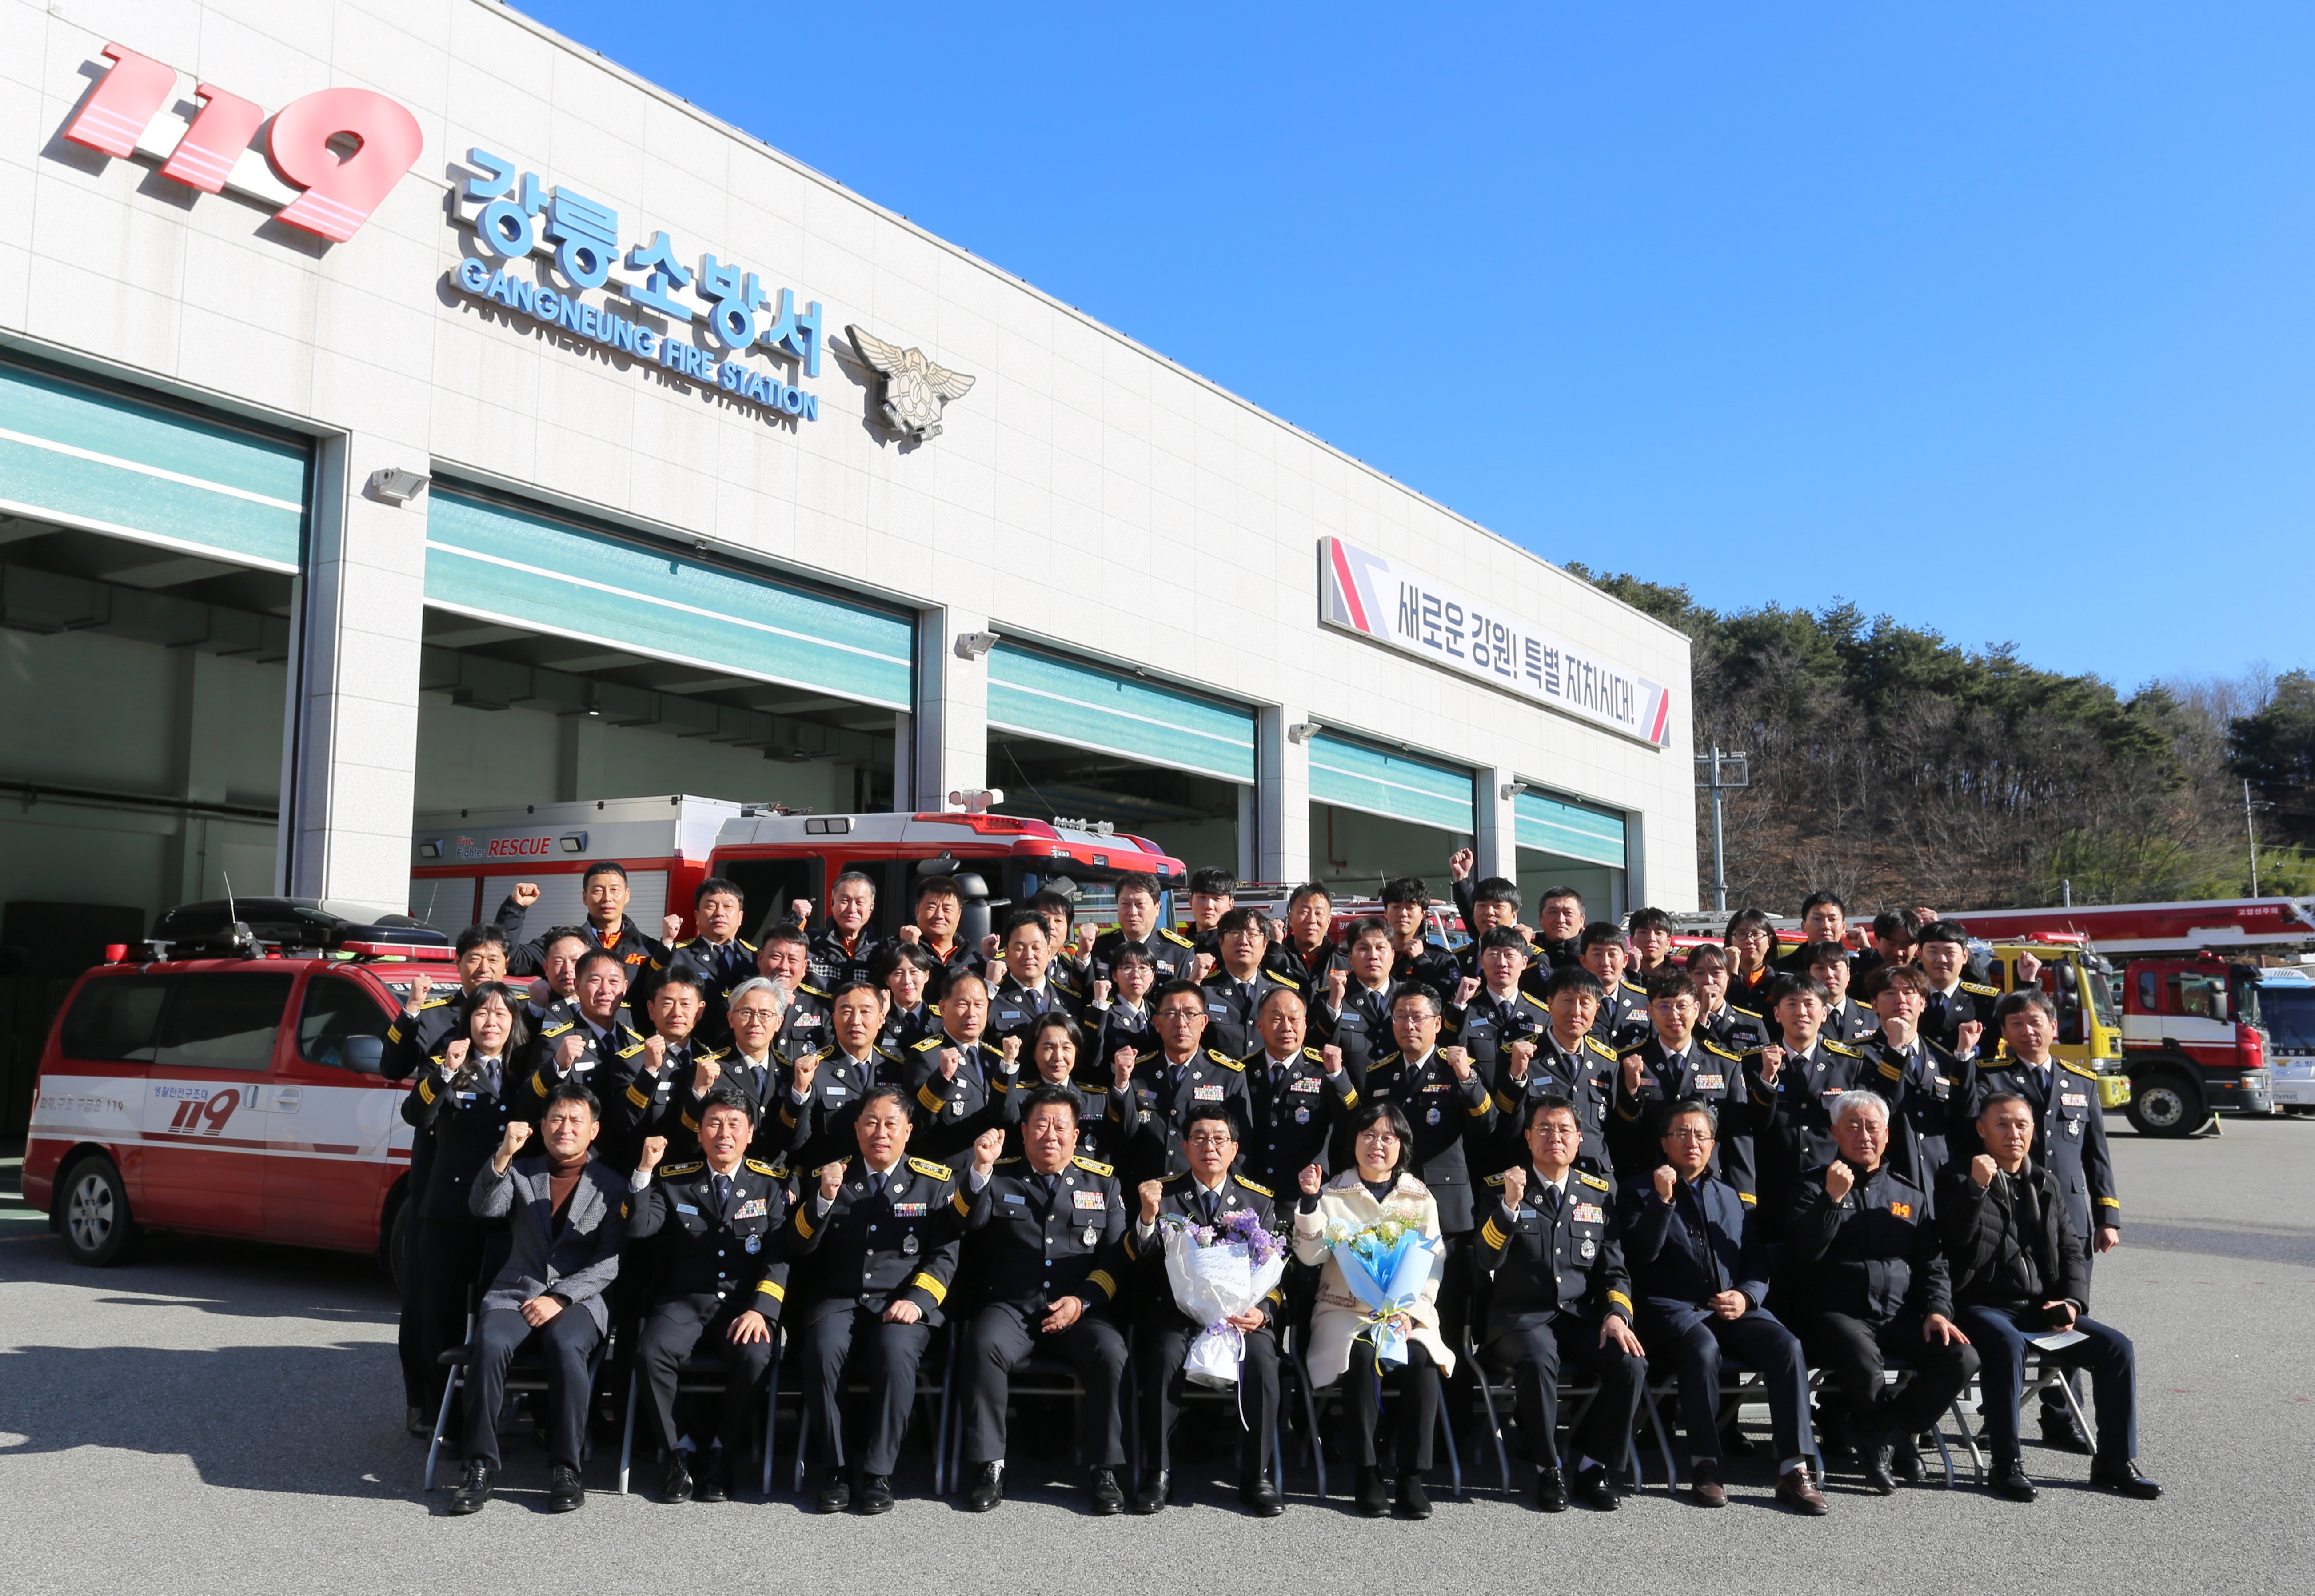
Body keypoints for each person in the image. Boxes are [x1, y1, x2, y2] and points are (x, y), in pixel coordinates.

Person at [1942, 1093, 2160, 1501]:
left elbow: (2072, 1250)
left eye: (2021, 1125)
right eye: (2002, 1125)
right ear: (1982, 1130)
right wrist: (1976, 1189)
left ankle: (2114, 1461)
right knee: (2007, 1345)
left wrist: (2072, 1304)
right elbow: (1954, 1244)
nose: (2013, 1134)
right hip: (1978, 1307)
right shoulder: (1956, 1177)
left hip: (2037, 1310)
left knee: (2116, 1348)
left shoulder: (2044, 1181)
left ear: (2033, 1131)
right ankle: (2006, 1464)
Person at [1617, 1101, 1817, 1510]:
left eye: (1701, 1135)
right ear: (1664, 1143)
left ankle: (1794, 1467)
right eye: (1682, 1134)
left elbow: (1757, 1263)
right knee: (1703, 1348)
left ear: (1713, 1144)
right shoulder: (1637, 1191)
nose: (1692, 1142)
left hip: (1731, 1308)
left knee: (1787, 1346)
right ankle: (1705, 1463)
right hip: (1672, 1312)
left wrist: (1746, 1296)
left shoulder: (1729, 1195)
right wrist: (1662, 1202)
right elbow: (1639, 1256)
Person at [445, 1079, 627, 1515]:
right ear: (542, 1126)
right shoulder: (521, 1171)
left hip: (580, 1299)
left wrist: (561, 1297)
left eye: (576, 1120)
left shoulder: (613, 1185)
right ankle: (479, 1467)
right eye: (557, 1119)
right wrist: (503, 1155)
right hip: (517, 1291)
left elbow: (610, 1262)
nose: (566, 1127)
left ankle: (566, 1468)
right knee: (488, 1345)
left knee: (566, 1346)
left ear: (593, 1130)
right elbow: (484, 1208)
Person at [1781, 1091, 1976, 1494]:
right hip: (1835, 1313)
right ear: (1835, 1133)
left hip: (1896, 1315)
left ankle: (1882, 1433)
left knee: (1961, 1357)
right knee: (1864, 1360)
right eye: (1853, 1127)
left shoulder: (1908, 1194)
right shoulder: (1811, 1186)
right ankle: (1887, 1445)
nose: (1864, 1135)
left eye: (1872, 1127)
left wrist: (1937, 1310)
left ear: (1887, 1135)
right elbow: (1804, 1251)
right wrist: (1832, 1199)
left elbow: (1932, 1264)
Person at [786, 1084, 966, 1514]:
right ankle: (836, 1469)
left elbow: (945, 1256)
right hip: (840, 1299)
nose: (880, 1132)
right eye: (871, 1122)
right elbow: (796, 1246)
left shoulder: (934, 1182)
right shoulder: (831, 1177)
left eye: (890, 1124)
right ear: (857, 1129)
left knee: (895, 1350)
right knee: (822, 1349)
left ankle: (879, 1473)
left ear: (908, 1131)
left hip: (902, 1302)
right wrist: (823, 1200)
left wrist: (918, 1301)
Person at [955, 1090, 1134, 1513]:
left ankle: (1104, 1468)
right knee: (983, 1344)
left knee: (1111, 1352)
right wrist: (981, 1170)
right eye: (1040, 1125)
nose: (1050, 1135)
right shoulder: (997, 1176)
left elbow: (1115, 1260)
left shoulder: (1104, 1184)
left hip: (1080, 1310)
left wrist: (1082, 1302)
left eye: (1060, 1127)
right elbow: (966, 1223)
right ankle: (990, 1465)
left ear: (1076, 1136)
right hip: (1013, 1308)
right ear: (1023, 1132)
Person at [1964, 987, 2121, 1453]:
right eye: (2015, 1024)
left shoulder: (2080, 1081)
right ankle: (1999, 1418)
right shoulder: (1990, 1078)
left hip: (2068, 1219)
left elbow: (2096, 1156)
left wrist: (2107, 1216)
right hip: (2009, 1214)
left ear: (2054, 1027)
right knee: (2012, 1319)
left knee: (2065, 1315)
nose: (2027, 1031)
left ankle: (2061, 1417)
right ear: (2003, 1032)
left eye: (2035, 1022)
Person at [1473, 1097, 1646, 1512]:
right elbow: (1485, 1259)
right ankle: (1548, 1469)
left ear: (1579, 1139)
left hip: (1576, 1318)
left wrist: (1616, 1315)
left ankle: (1593, 1466)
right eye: (1545, 1129)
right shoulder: (1501, 1188)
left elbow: (1614, 1271)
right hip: (1518, 1320)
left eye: (1564, 1130)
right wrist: (1510, 1208)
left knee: (1630, 1362)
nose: (1555, 1137)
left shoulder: (1597, 1194)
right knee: (1538, 1357)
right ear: (1528, 1137)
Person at [627, 1088, 790, 1504]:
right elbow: (640, 1228)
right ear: (699, 1132)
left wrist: (762, 1310)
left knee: (756, 1355)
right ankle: (679, 1451)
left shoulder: (770, 1186)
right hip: (686, 1302)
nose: (724, 1133)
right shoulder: (674, 1179)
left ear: (750, 1134)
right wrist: (644, 1171)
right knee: (650, 1352)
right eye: (714, 1123)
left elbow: (778, 1258)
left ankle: (721, 1452)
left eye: (735, 1124)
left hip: (742, 1307)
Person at [1292, 1102, 1453, 1518]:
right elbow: (1310, 1256)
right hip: (1345, 1311)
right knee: (1361, 1355)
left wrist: (1412, 1314)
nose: (1377, 1145)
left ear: (1402, 1146)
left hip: (1404, 1314)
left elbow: (1433, 1263)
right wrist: (1309, 1204)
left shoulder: (1420, 1197)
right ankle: (1366, 1473)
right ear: (1354, 1142)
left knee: (1422, 1358)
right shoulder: (1333, 1194)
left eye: (1387, 1137)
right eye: (1368, 1135)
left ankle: (1412, 1476)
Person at [1126, 1104, 1285, 1515]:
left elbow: (1277, 1277)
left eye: (1218, 1139)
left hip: (1238, 1318)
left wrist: (1263, 1312)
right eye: (1199, 1138)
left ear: (1234, 1149)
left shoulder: (1258, 1200)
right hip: (1177, 1313)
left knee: (1264, 1357)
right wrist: (1147, 1218)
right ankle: (1159, 1471)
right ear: (1184, 1147)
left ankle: (1257, 1474)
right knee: (1163, 1354)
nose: (1209, 1147)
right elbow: (1138, 1261)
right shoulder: (1163, 1194)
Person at [403, 982, 530, 1425]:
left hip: (504, 1217)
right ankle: (442, 1417)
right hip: (450, 1214)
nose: (491, 1022)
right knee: (443, 1316)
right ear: (467, 1021)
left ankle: (490, 1411)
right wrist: (444, 1072)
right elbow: (416, 1115)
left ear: (514, 1023)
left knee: (501, 1318)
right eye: (481, 1013)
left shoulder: (523, 1072)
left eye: (501, 1014)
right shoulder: (448, 1064)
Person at [1608, 969, 1749, 1201]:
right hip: (1647, 1186)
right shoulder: (1628, 1061)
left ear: (1696, 1009)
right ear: (1651, 1011)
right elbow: (1619, 1135)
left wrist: (1745, 1198)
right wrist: (1631, 1093)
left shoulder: (1725, 1065)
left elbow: (1739, 1138)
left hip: (1709, 1186)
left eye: (1682, 1006)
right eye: (1664, 1007)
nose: (1674, 1015)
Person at [1744, 972, 1868, 1226]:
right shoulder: (1752, 1062)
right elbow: (1752, 1125)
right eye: (1791, 1004)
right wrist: (1767, 1079)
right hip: (1774, 1190)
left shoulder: (1849, 1063)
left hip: (1832, 1189)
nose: (1801, 1012)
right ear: (1777, 1014)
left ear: (1824, 1014)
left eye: (1809, 1004)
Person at [1110, 978, 1251, 1187]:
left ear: (1204, 1022)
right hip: (1145, 1189)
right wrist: (1121, 1085)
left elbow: (1240, 1147)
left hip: (1200, 1193)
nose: (1181, 1023)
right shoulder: (1137, 1072)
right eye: (1171, 1014)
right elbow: (1122, 1135)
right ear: (1157, 1023)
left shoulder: (1228, 1076)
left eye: (1190, 1014)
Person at [1854, 963, 1974, 1198]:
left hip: (1937, 1179)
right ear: (1875, 1004)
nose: (1901, 1000)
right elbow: (1877, 1109)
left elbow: (1964, 1118)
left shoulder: (1943, 1058)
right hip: (1886, 1177)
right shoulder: (1857, 1056)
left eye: (1909, 992)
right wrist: (1895, 1052)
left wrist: (1964, 1059)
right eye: (1890, 993)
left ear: (1923, 1003)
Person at [1489, 963, 1617, 1181]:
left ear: (1596, 1009)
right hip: (1537, 1179)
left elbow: (1614, 1130)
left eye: (1585, 1003)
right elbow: (1503, 1126)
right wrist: (1516, 1079)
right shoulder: (1519, 1056)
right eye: (1567, 1001)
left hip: (1595, 1179)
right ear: (1549, 1004)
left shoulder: (1607, 1062)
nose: (1576, 1011)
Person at [1237, 987, 1358, 1200]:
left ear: (1305, 1024)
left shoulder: (1325, 1071)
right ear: (1260, 1026)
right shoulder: (1243, 1072)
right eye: (1277, 1019)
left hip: (1305, 1194)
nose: (1286, 1027)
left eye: (1294, 1019)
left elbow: (1352, 1123)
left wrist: (1338, 1076)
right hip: (1251, 1193)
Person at [904, 969, 1013, 1161]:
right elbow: (914, 1126)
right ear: (943, 1009)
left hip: (993, 1171)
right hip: (949, 1173)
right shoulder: (926, 1057)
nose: (972, 1014)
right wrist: (942, 1079)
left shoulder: (998, 1060)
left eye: (979, 1005)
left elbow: (1008, 1120)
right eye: (963, 1004)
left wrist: (1009, 1070)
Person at [507, 859, 663, 986]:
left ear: (627, 896)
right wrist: (516, 908)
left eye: (614, 890)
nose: (607, 898)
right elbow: (511, 959)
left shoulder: (650, 950)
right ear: (585, 897)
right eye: (598, 891)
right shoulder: (562, 943)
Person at [655, 875, 758, 1043]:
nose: (720, 913)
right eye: (711, 906)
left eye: (728, 906)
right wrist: (666, 943)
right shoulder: (678, 954)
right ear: (697, 916)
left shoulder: (754, 958)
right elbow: (652, 991)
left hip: (740, 1049)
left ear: (740, 917)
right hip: (694, 1046)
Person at [1198, 906, 1301, 1058]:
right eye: (1235, 933)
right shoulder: (1203, 991)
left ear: (1265, 944)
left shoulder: (1282, 992)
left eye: (1252, 934)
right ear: (1221, 942)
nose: (1244, 941)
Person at [1313, 915, 1400, 1079]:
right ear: (1350, 958)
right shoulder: (1330, 998)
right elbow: (1313, 1050)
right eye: (1363, 949)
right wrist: (1334, 1006)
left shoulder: (1409, 998)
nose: (1373, 956)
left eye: (1380, 948)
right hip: (1347, 1093)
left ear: (1393, 955)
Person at [1088, 870, 1197, 984]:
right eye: (1126, 904)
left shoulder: (1179, 953)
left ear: (1157, 908)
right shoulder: (1099, 947)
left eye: (1140, 904)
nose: (1133, 912)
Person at [986, 910, 1076, 1045]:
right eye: (1019, 948)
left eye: (1036, 947)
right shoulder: (992, 1001)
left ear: (1049, 952)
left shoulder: (1070, 1000)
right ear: (1007, 954)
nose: (1029, 956)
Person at [1913, 921, 2000, 1058]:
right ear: (1920, 955)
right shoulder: (1908, 997)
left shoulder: (1988, 1001)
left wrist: (2028, 983)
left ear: (1965, 956)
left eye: (1950, 952)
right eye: (1933, 952)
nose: (1941, 959)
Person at [794, 868, 890, 992]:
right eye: (845, 901)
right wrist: (794, 919)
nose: (852, 909)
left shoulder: (881, 952)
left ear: (871, 908)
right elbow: (777, 951)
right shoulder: (809, 942)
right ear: (832, 903)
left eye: (860, 902)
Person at [754, 924, 832, 1060]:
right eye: (776, 957)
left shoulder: (823, 1007)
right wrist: (772, 1002)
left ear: (805, 967)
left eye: (793, 960)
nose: (784, 966)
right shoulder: (737, 1002)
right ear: (761, 959)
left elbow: (832, 1058)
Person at [894, 873, 978, 986]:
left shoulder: (973, 959)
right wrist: (907, 950)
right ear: (917, 912)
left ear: (959, 916)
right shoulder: (894, 949)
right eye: (932, 908)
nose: (939, 915)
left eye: (947, 909)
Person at [1689, 942, 1771, 1057]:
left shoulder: (1752, 1023)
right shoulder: (1681, 1020)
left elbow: (1762, 1065)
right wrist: (1703, 1014)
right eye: (1699, 973)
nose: (1709, 981)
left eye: (1716, 973)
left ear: (1728, 976)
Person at [1578, 922, 1649, 1049]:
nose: (1605, 963)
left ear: (1625, 961)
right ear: (1583, 961)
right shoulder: (1574, 1003)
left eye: (1612, 955)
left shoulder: (1645, 1001)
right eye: (1597, 954)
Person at [1379, 875, 1458, 989]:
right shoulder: (1373, 955)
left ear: (1423, 914)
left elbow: (1450, 997)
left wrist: (1421, 961)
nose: (1403, 913)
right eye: (1396, 907)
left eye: (1410, 907)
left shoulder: (1441, 959)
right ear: (1386, 912)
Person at [1275, 880, 1348, 989]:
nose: (1312, 920)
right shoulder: (1275, 962)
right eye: (1304, 912)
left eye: (1319, 913)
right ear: (1290, 919)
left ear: (1328, 922)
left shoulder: (1347, 966)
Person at [873, 942, 941, 1060]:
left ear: (926, 975)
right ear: (888, 980)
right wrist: (881, 1015)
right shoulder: (878, 1020)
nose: (907, 981)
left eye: (914, 972)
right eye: (898, 974)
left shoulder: (943, 1019)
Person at [1808, 939, 1879, 1044]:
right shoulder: (1803, 1016)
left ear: (1848, 973)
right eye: (1820, 968)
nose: (1829, 974)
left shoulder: (1873, 1016)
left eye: (1835, 967)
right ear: (1809, 975)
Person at [1774, 892, 1854, 976]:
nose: (1826, 926)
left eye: (1833, 919)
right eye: (1817, 919)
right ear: (1804, 926)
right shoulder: (1783, 970)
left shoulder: (1856, 966)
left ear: (1844, 927)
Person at [1723, 907, 1781, 1011]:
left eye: (1756, 934)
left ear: (1769, 942)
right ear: (1730, 941)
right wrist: (1732, 973)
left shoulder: (1782, 984)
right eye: (1742, 934)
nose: (1749, 940)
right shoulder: (1715, 981)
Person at [1533, 885, 1586, 971]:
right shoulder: (1530, 954)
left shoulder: (1593, 954)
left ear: (1582, 921)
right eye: (1553, 912)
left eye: (1568, 913)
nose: (1560, 920)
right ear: (1540, 919)